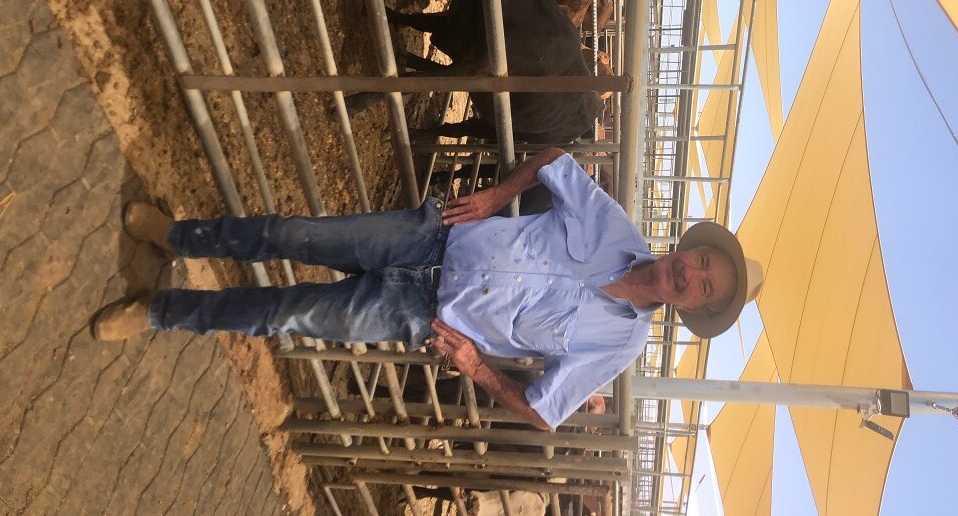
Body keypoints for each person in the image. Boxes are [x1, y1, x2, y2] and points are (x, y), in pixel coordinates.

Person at [91, 148, 763, 429]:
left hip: (420, 311)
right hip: (429, 236)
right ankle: (179, 238)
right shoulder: (614, 226)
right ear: (689, 247)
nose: (691, 274)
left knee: (284, 313)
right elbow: (557, 160)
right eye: (702, 260)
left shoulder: (617, 344)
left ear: (693, 307)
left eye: (703, 287)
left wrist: (478, 370)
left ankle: (160, 310)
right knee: (291, 231)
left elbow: (540, 413)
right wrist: (501, 192)